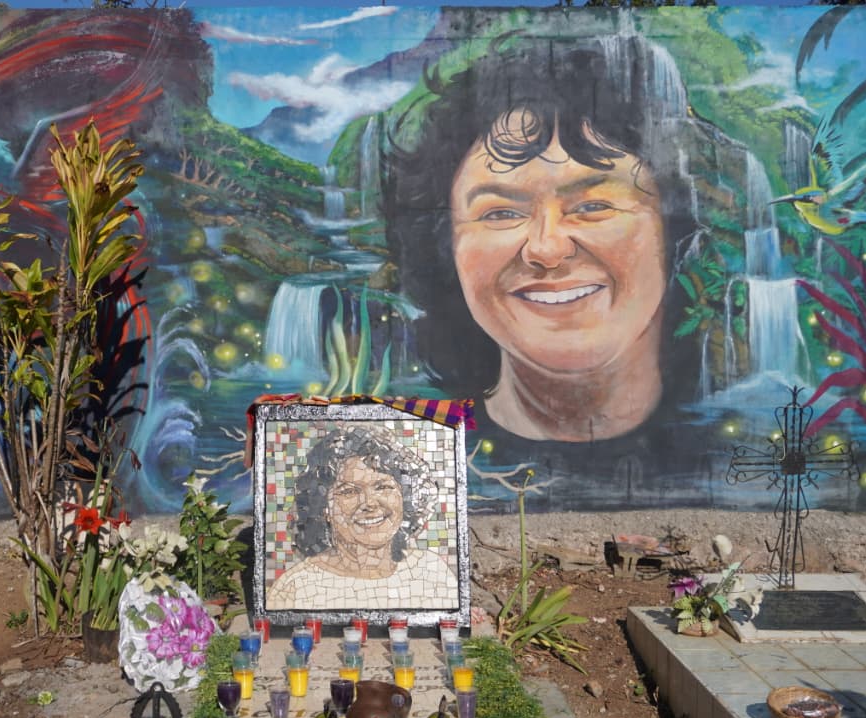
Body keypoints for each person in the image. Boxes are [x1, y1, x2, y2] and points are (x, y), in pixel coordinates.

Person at [385, 34, 705, 445]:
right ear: (446, 247)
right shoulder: (405, 451)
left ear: (672, 230)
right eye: (501, 213)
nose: (547, 248)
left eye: (593, 207)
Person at [265, 426, 457, 611]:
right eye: (349, 491)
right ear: (323, 508)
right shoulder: (296, 588)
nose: (369, 503)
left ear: (405, 497)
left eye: (383, 487)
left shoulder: (431, 571)